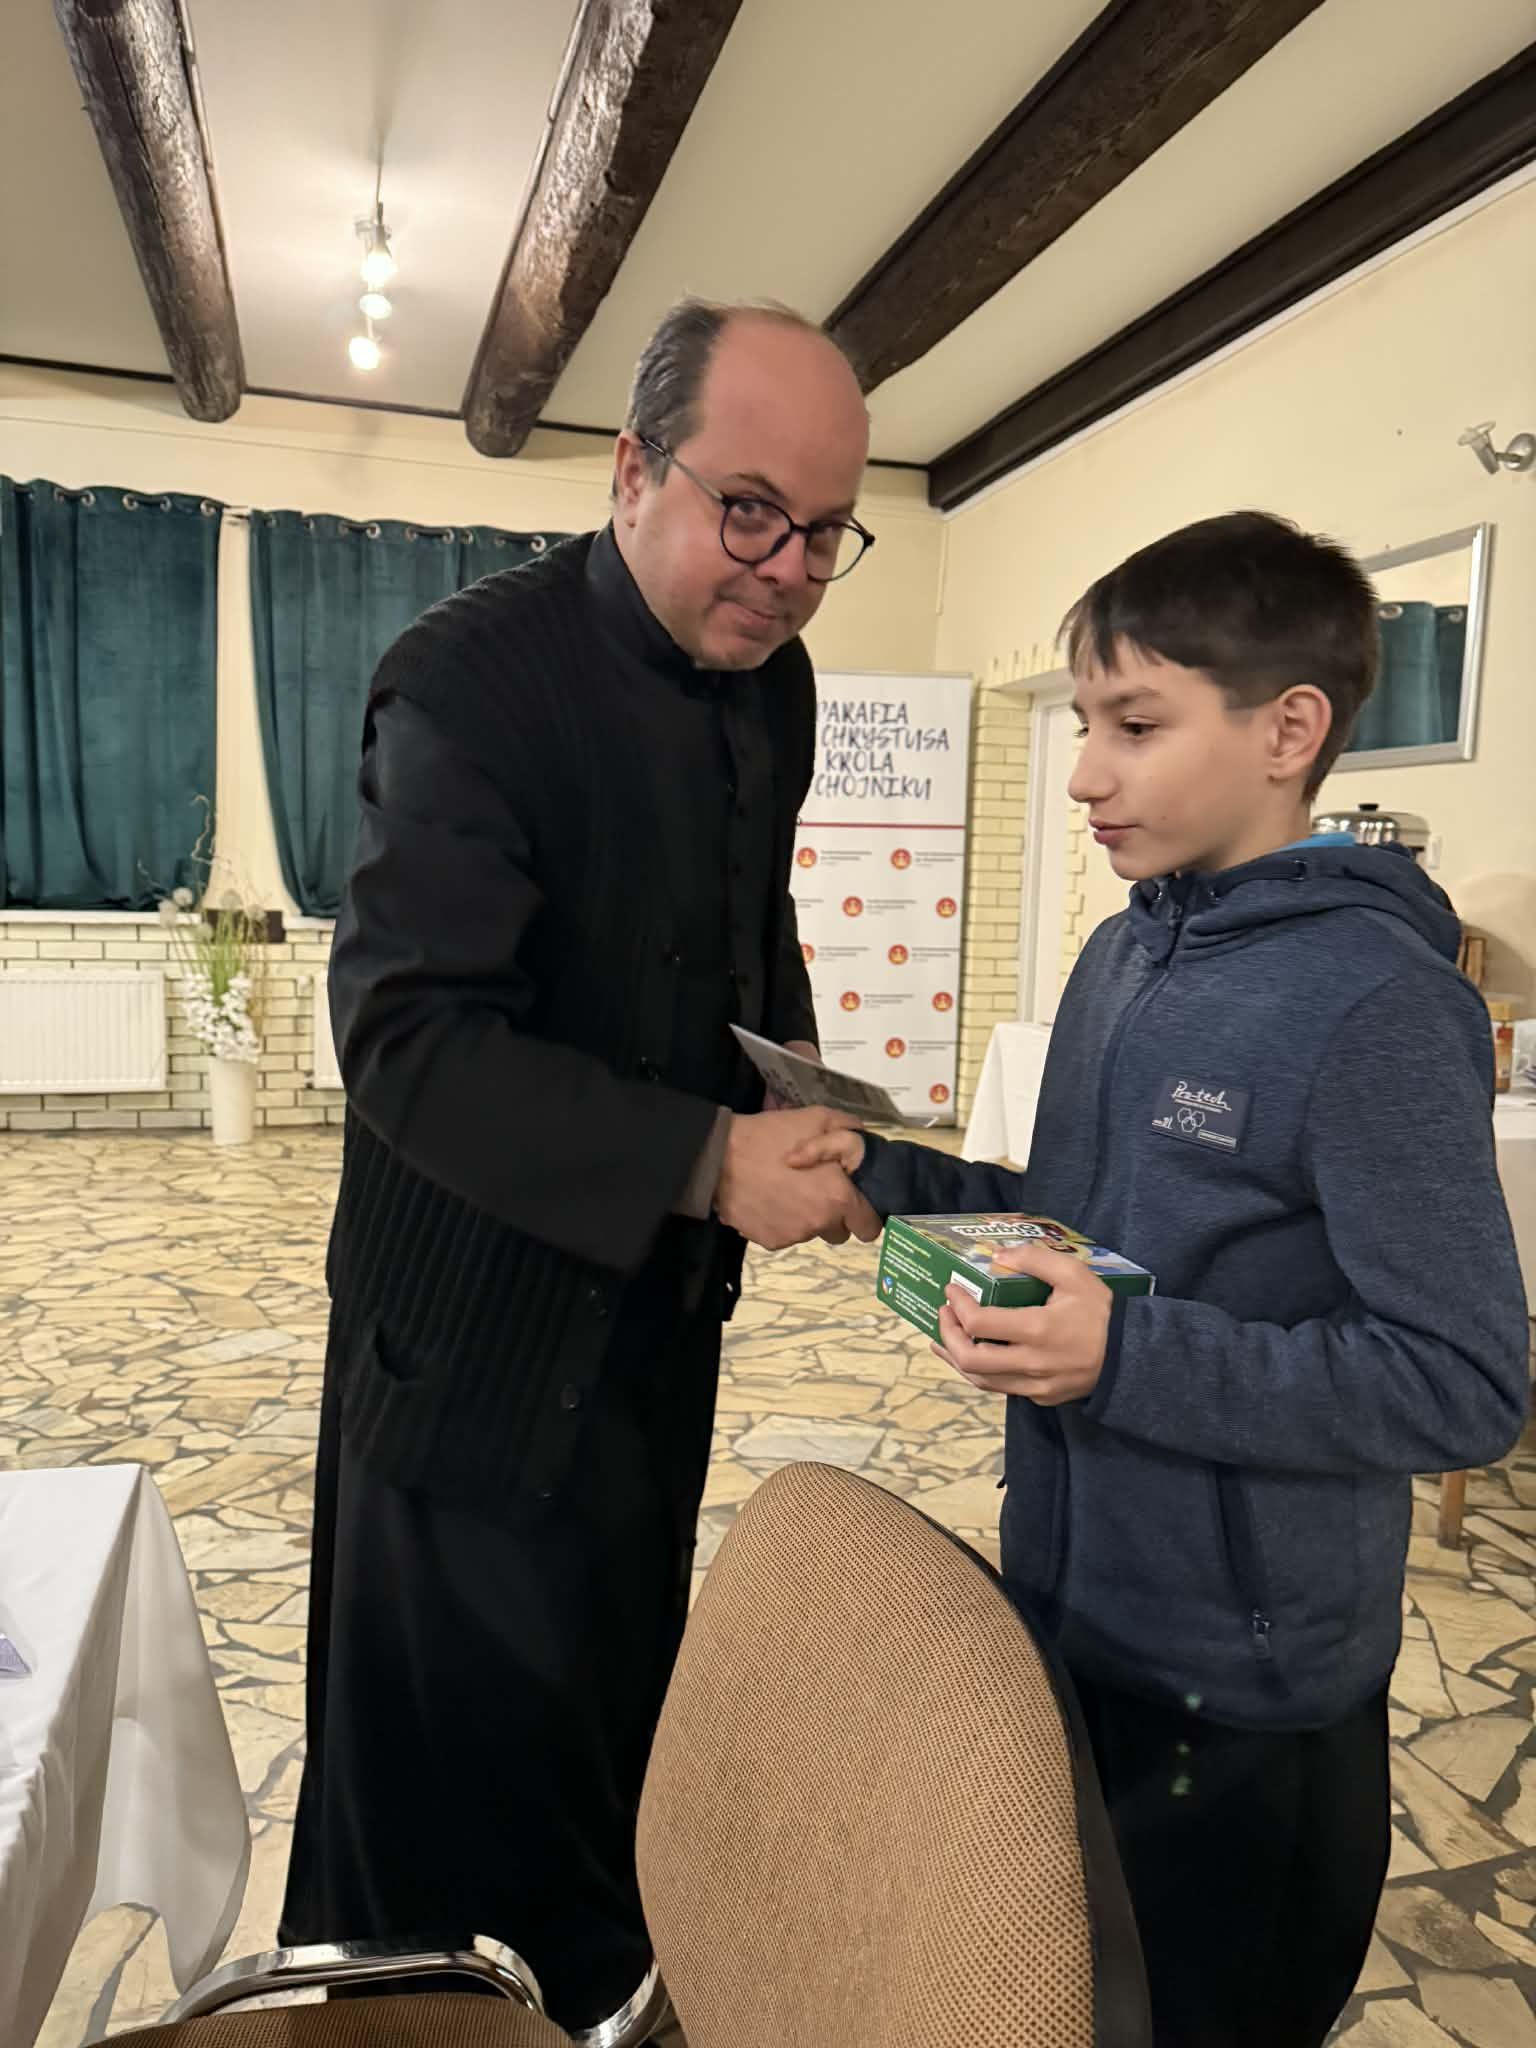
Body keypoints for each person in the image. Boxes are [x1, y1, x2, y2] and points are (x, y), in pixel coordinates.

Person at [791, 512, 1529, 2048]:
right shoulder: (1126, 954)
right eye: (1083, 723)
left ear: (1289, 731)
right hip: (1070, 1609)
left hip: (1245, 1687)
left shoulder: (1380, 1004)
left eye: (1133, 726)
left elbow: (1462, 1382)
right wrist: (885, 1178)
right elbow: (1073, 1232)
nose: (1083, 774)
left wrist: (1125, 1359)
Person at [280, 299, 882, 2029]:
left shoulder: (777, 683)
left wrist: (797, 1076)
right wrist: (709, 1159)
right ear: (632, 470)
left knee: (608, 1731)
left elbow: (742, 918)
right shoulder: (466, 681)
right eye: (749, 512)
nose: (788, 571)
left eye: (826, 533)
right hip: (463, 1353)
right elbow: (409, 1038)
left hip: (647, 1329)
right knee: (431, 1799)